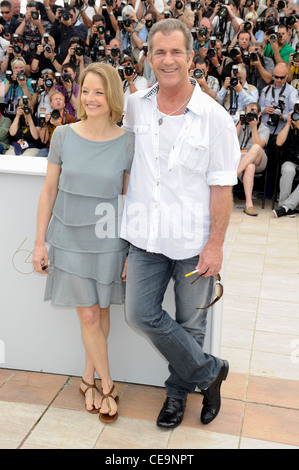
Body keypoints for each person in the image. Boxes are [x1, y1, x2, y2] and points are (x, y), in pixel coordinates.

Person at [120, 19, 240, 429]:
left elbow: (222, 186)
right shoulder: (136, 103)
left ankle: (176, 397)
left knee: (191, 323)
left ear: (191, 57)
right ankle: (210, 373)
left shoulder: (215, 118)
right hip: (145, 239)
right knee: (137, 314)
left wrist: (216, 246)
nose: (167, 60)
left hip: (193, 241)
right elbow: (122, 161)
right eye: (159, 52)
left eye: (176, 52)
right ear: (149, 57)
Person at [32, 62, 134, 423]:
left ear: (113, 96)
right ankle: (108, 385)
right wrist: (40, 242)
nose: (90, 98)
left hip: (109, 241)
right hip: (69, 238)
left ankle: (86, 378)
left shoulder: (127, 143)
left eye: (99, 91)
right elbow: (49, 191)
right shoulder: (63, 135)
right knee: (89, 313)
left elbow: (128, 202)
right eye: (85, 91)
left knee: (102, 312)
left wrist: (130, 251)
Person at [237, 102, 270, 216]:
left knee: (255, 147)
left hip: (259, 159)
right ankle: (249, 204)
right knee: (249, 167)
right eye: (248, 111)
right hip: (242, 158)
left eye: (253, 111)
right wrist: (240, 123)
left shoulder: (264, 128)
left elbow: (260, 144)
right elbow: (231, 140)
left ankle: (233, 175)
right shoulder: (239, 124)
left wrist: (254, 127)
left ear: (259, 114)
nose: (250, 113)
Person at [273, 110, 299, 217]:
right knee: (288, 171)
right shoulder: (289, 127)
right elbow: (279, 142)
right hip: (290, 159)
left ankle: (285, 207)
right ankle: (284, 206)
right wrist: (288, 123)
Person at [37, 90, 76, 157]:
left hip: (64, 149)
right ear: (51, 103)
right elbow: (43, 140)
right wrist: (44, 124)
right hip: (49, 149)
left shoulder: (70, 118)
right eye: (55, 99)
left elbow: (72, 139)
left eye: (60, 99)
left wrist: (58, 125)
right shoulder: (47, 117)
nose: (58, 101)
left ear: (64, 104)